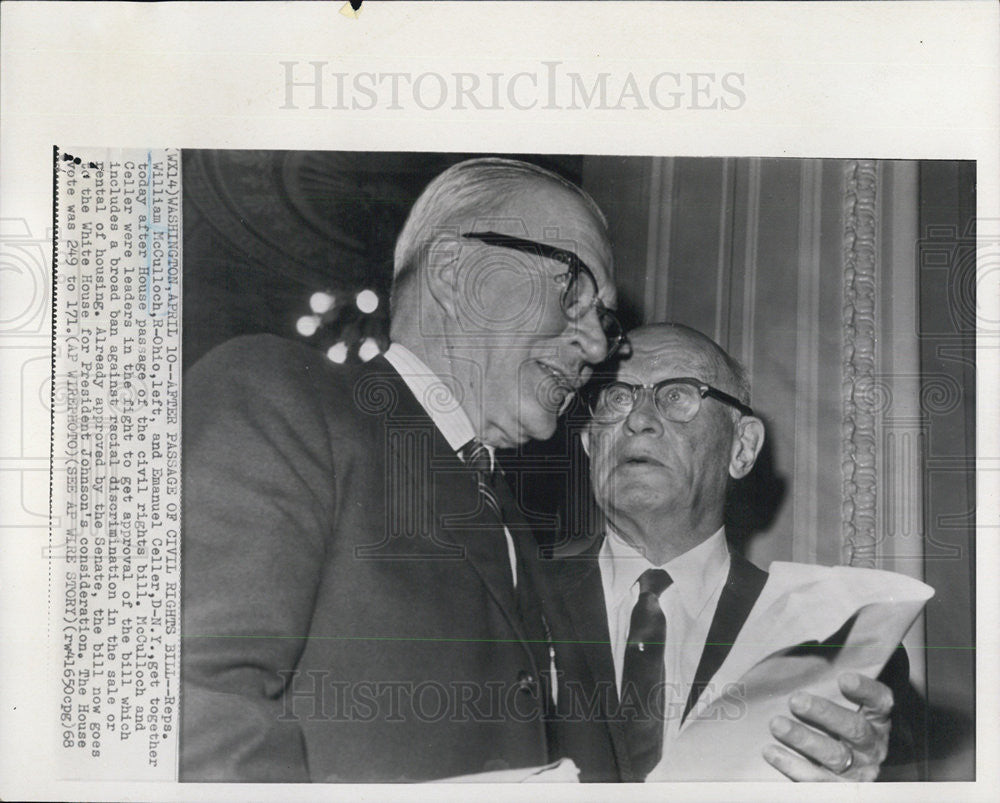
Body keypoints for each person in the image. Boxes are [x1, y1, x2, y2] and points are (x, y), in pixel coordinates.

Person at [179, 158, 623, 781]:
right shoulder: (277, 399)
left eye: (603, 318)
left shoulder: (515, 523)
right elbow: (191, 702)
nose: (597, 348)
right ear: (453, 272)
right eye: (572, 290)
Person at [542, 323, 920, 782]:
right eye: (617, 398)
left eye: (677, 395)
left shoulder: (839, 644)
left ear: (742, 448)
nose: (638, 419)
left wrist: (864, 786)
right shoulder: (514, 605)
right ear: (589, 443)